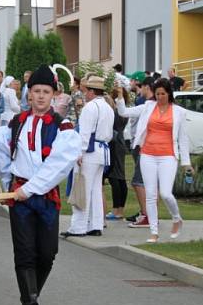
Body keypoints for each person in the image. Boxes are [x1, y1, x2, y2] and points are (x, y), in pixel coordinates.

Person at [0, 64, 81, 305]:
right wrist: (8, 182)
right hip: (20, 198)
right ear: (29, 94)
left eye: (46, 91)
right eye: (36, 91)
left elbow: (58, 165)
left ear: (53, 94)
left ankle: (31, 295)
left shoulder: (64, 128)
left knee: (47, 253)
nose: (41, 96)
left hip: (45, 197)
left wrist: (28, 190)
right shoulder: (17, 123)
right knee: (25, 252)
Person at [116, 78, 192, 242]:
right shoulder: (148, 107)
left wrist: (186, 163)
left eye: (163, 94)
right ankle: (154, 232)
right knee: (150, 195)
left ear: (169, 94)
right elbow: (124, 112)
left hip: (168, 156)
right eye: (157, 94)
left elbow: (183, 139)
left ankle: (177, 218)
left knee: (165, 193)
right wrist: (120, 97)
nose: (159, 97)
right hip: (148, 154)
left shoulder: (179, 112)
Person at [62, 75, 114, 238]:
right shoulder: (108, 107)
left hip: (90, 151)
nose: (84, 94)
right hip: (102, 151)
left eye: (86, 90)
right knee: (96, 189)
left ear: (92, 91)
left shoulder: (90, 108)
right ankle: (95, 224)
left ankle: (78, 227)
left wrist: (79, 152)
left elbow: (85, 133)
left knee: (82, 188)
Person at [126, 77, 155, 227]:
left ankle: (147, 215)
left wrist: (119, 98)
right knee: (147, 183)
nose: (139, 89)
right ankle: (149, 214)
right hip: (148, 147)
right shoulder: (150, 105)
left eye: (141, 86)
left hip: (146, 148)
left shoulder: (148, 105)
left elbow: (124, 112)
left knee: (138, 182)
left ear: (147, 87)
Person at [104, 88, 129, 221]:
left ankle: (116, 210)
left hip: (115, 143)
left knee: (115, 177)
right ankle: (120, 209)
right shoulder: (123, 111)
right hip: (120, 142)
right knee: (120, 177)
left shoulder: (117, 112)